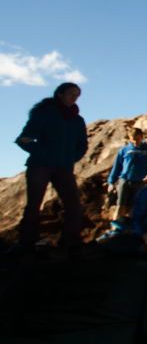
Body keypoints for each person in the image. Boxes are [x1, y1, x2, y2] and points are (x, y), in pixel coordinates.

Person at [15, 82, 88, 250]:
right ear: (60, 94)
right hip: (40, 166)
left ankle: (71, 242)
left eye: (77, 95)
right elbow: (23, 139)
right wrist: (43, 153)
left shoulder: (77, 120)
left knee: (74, 205)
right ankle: (27, 244)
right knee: (34, 205)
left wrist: (71, 158)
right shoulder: (44, 114)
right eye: (71, 94)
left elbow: (82, 145)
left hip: (64, 167)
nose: (75, 98)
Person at [107, 127, 147, 223]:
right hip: (124, 180)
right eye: (133, 140)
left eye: (138, 139)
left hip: (141, 182)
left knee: (136, 206)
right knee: (120, 205)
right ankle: (116, 227)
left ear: (141, 137)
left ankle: (133, 229)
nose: (136, 142)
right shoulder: (124, 150)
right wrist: (111, 182)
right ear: (129, 138)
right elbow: (117, 166)